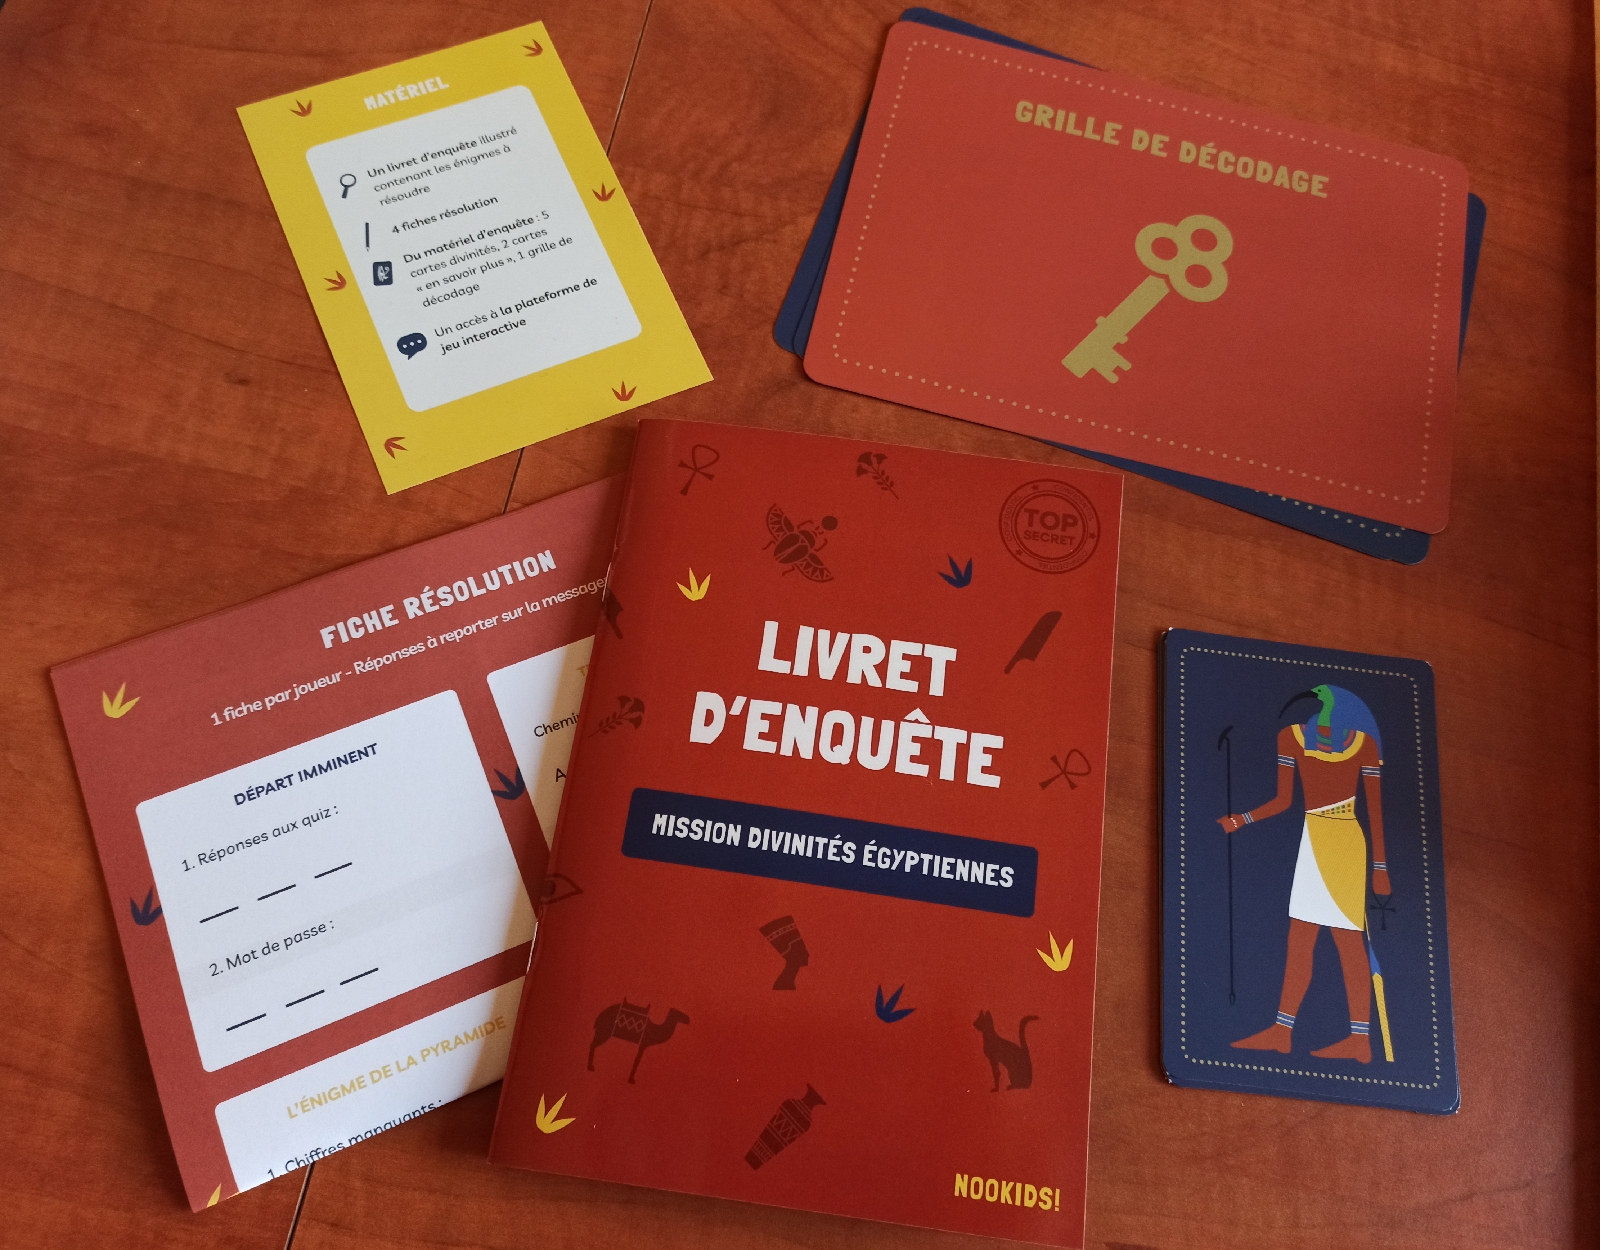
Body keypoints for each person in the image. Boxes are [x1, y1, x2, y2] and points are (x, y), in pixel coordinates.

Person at [1217, 685, 1390, 1062]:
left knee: (1348, 941)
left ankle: (1360, 1039)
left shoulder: (1363, 746)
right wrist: (1242, 819)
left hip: (1345, 844)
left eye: (1328, 704)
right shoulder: (1290, 738)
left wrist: (1380, 867)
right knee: (1300, 939)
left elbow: (1375, 810)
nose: (1321, 711)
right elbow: (1284, 800)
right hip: (1312, 841)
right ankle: (1282, 1031)